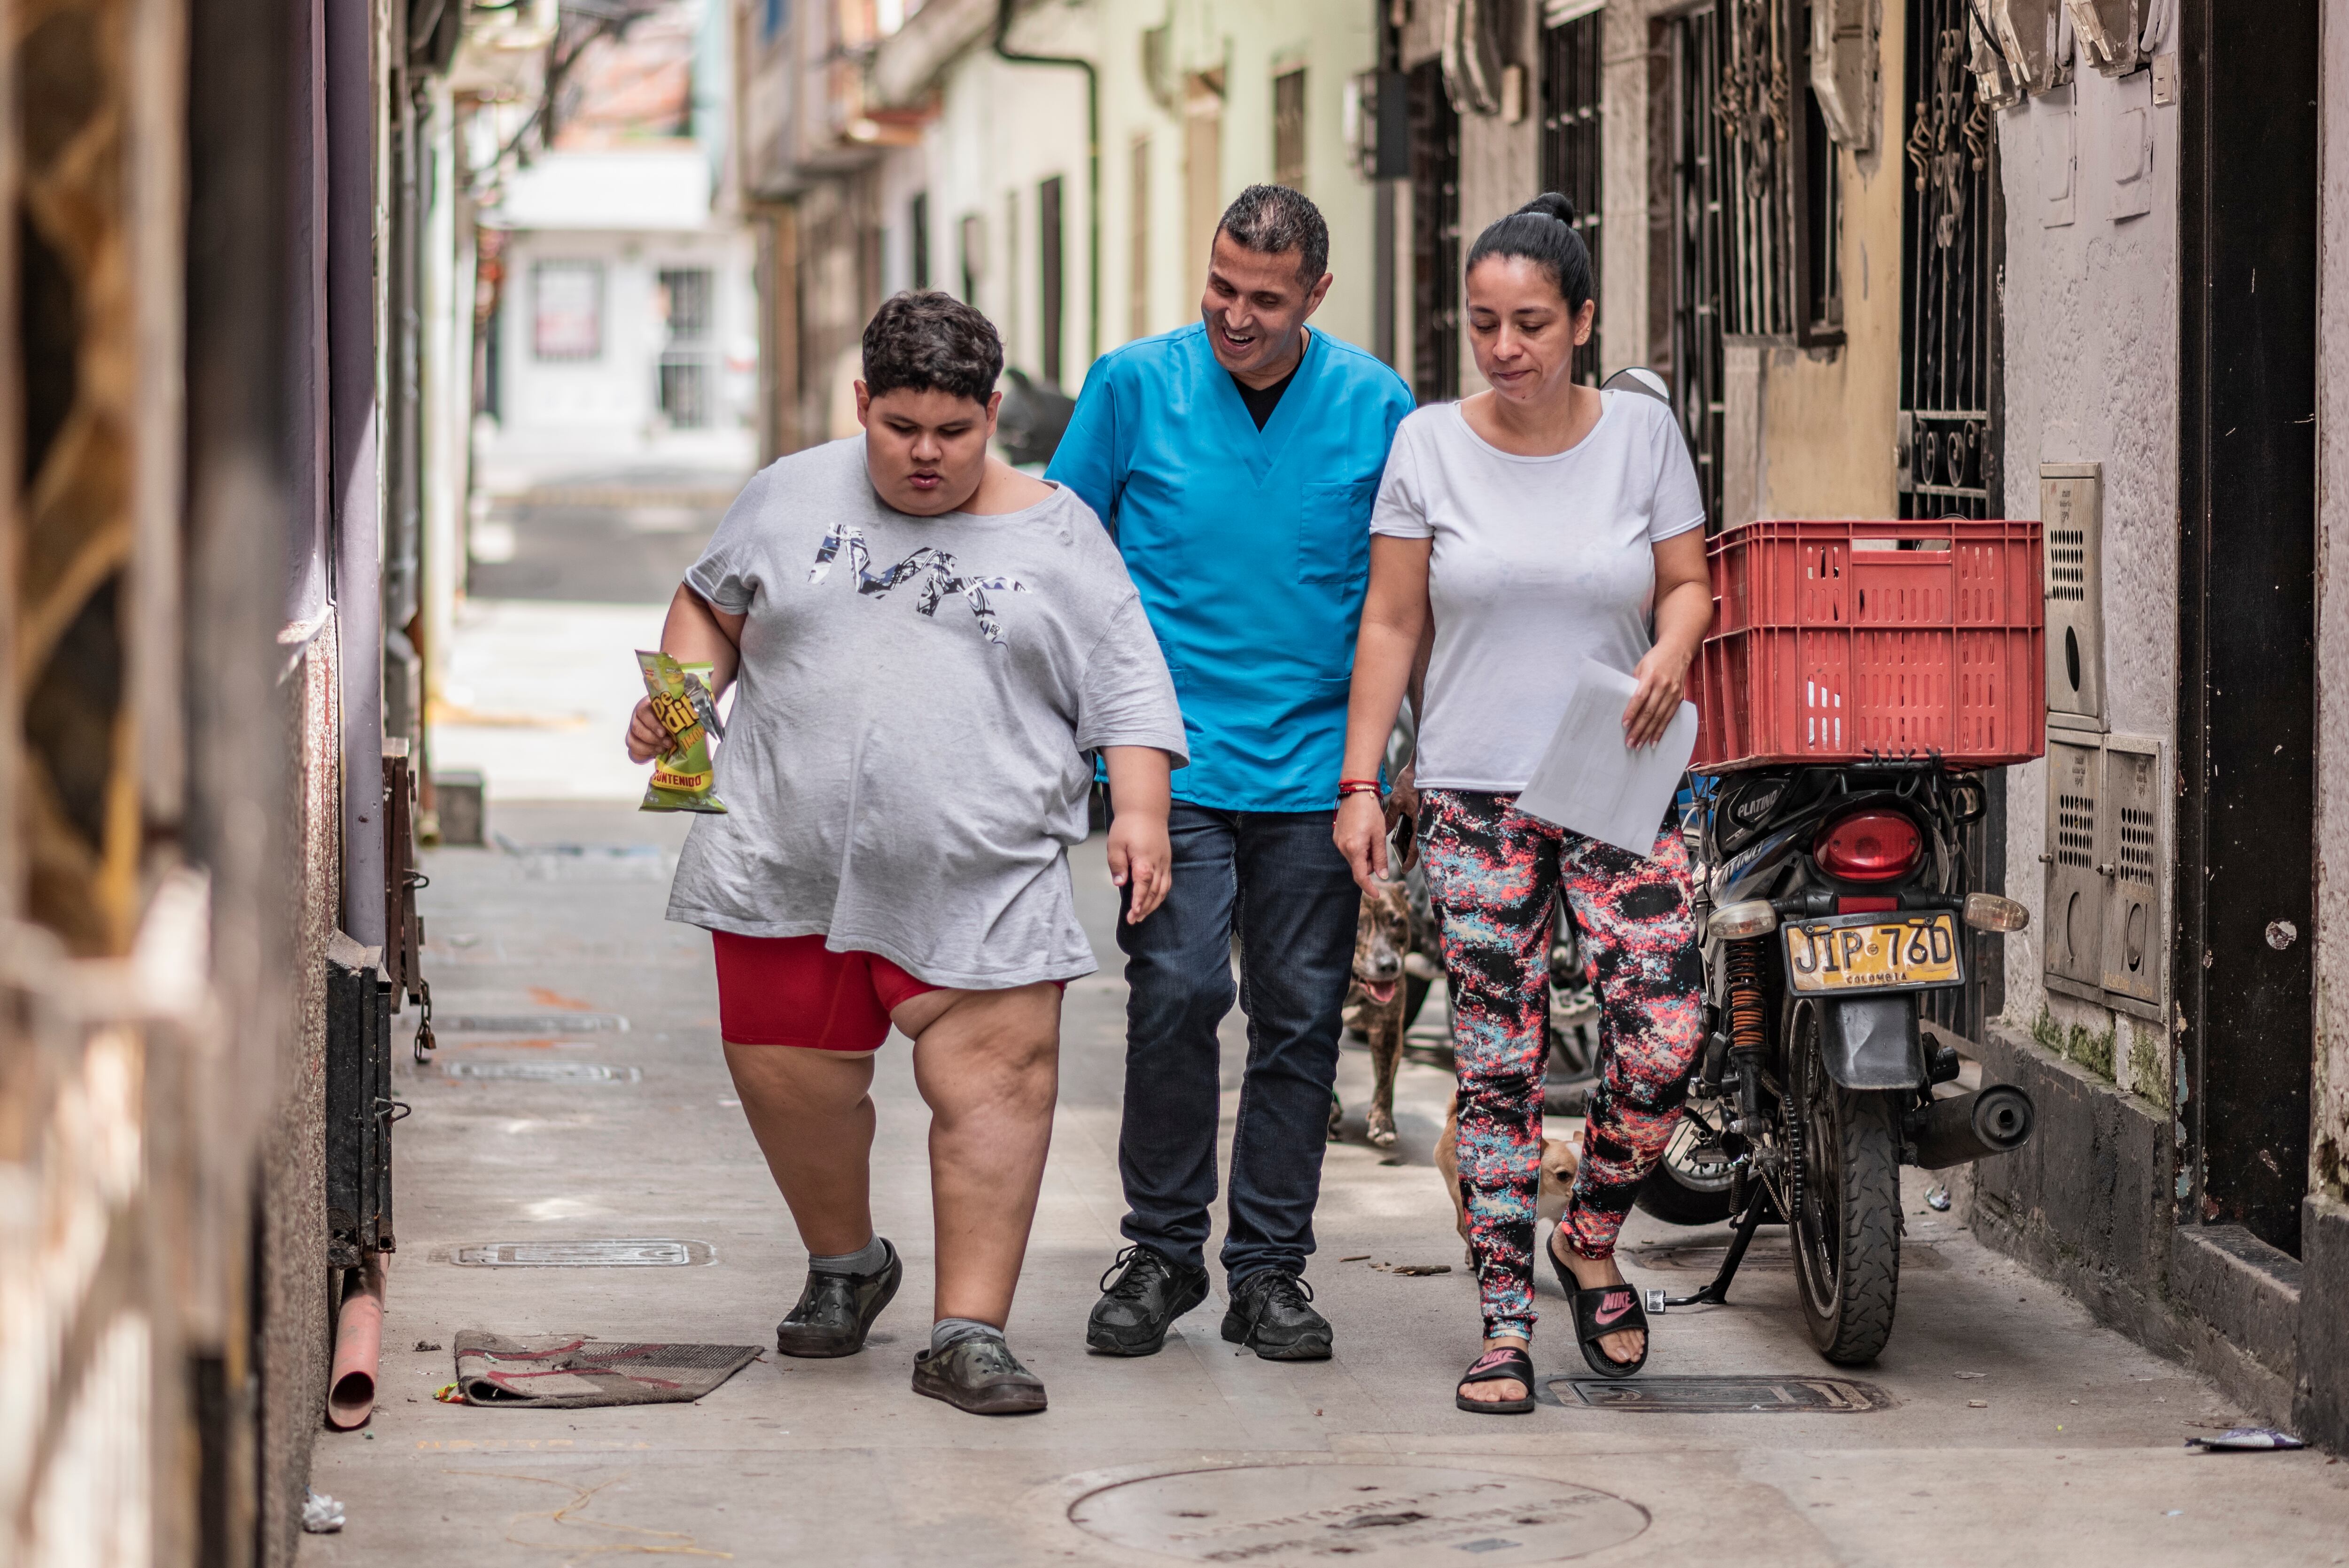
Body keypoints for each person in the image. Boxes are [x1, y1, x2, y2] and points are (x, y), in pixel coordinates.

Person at [627, 291, 1187, 1416]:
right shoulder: (788, 494)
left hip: (982, 871)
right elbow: (707, 603)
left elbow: (1124, 682)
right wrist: (676, 718)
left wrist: (1140, 811)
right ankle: (847, 1264)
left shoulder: (1060, 529)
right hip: (788, 864)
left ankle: (968, 1331)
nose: (926, 455)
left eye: (953, 431)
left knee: (997, 1087)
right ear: (862, 406)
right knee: (793, 1083)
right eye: (900, 429)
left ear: (993, 414)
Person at [1333, 193, 1711, 1411]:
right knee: (1496, 1061)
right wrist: (1360, 782)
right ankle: (1504, 1322)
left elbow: (1691, 584)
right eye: (1486, 323)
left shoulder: (1644, 437)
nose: (1507, 347)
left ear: (1583, 321)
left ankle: (1589, 1230)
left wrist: (1673, 648)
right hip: (1474, 791)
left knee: (1664, 1029)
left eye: (1533, 323)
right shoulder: (1429, 445)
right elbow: (1392, 619)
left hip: (1618, 768)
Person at [1048, 186, 1415, 1360]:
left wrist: (1382, 773)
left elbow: (1399, 605)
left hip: (1317, 769)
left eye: (1265, 298)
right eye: (1220, 287)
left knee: (1302, 1016)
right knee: (1177, 995)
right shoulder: (1131, 387)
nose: (1235, 316)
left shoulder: (1375, 407)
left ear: (1315, 295)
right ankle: (1160, 1252)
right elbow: (1062, 562)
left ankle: (1268, 1270)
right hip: (1168, 763)